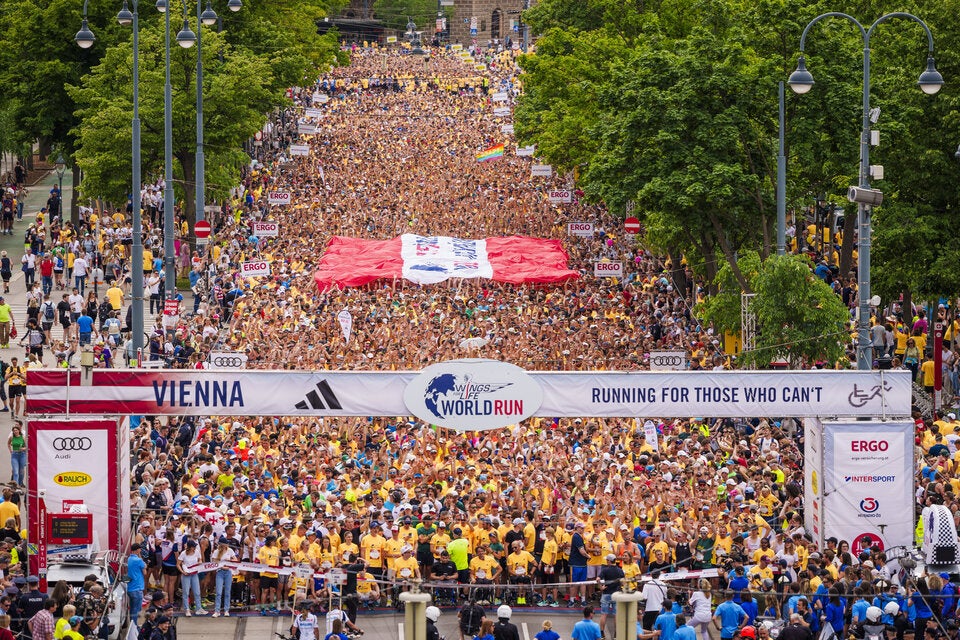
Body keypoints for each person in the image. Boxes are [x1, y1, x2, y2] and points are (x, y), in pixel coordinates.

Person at [597, 554, 624, 636]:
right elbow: (623, 582)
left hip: (606, 594)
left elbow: (598, 579)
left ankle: (602, 633)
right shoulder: (620, 570)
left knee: (604, 614)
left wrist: (601, 587)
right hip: (616, 594)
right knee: (616, 615)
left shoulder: (605, 570)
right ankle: (616, 633)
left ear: (609, 561)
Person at [211, 536, 236, 617]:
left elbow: (235, 560)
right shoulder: (216, 551)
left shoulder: (230, 551)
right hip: (220, 572)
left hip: (228, 572)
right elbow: (215, 562)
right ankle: (217, 610)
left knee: (227, 592)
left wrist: (230, 561)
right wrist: (222, 566)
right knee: (218, 592)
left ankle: (226, 610)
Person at [127, 543, 147, 626]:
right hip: (137, 588)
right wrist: (144, 565)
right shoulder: (139, 560)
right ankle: (134, 626)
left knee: (132, 609)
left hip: (130, 587)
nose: (141, 550)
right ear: (137, 550)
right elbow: (145, 572)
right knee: (136, 610)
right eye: (140, 549)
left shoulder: (129, 559)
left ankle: (132, 624)